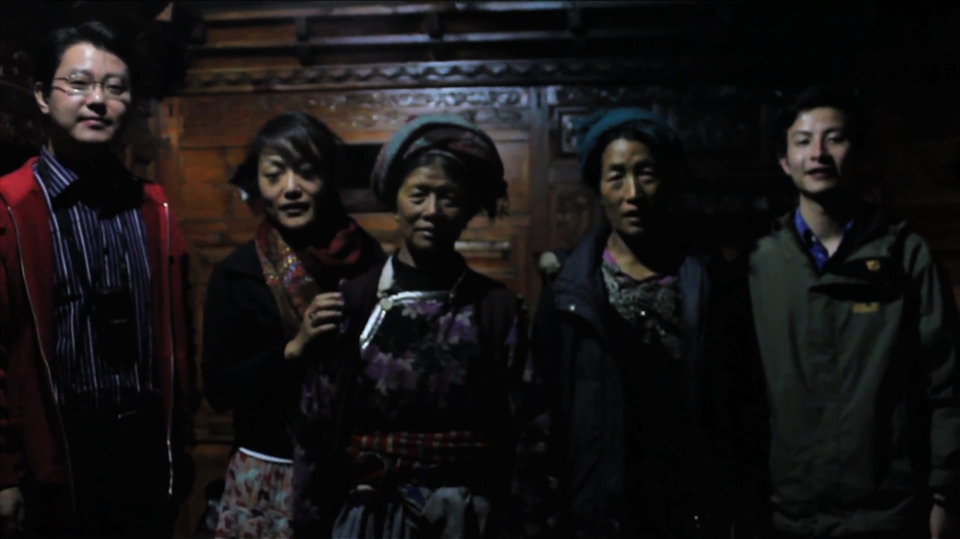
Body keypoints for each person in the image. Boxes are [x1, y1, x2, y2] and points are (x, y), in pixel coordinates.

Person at [291, 114, 553, 538]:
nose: (431, 211)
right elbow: (314, 427)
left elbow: (532, 431)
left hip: (468, 521)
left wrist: (526, 523)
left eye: (448, 197)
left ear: (468, 209)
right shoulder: (354, 302)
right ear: (395, 202)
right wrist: (309, 524)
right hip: (366, 519)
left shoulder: (496, 310)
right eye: (419, 195)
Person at [0, 20, 198, 537]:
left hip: (144, 452)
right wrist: (3, 474)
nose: (98, 101)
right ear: (43, 96)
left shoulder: (153, 207)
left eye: (115, 88)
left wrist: (181, 447)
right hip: (54, 454)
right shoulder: (10, 208)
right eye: (79, 84)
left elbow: (178, 337)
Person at [748, 85, 960, 538]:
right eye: (803, 141)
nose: (818, 153)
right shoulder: (759, 264)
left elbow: (946, 383)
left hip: (890, 512)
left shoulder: (906, 255)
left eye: (834, 139)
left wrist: (946, 495)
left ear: (857, 154)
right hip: (788, 515)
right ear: (785, 161)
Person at [532, 108, 739, 538]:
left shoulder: (708, 279)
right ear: (598, 188)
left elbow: (736, 401)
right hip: (597, 504)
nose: (633, 193)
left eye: (646, 173)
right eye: (616, 177)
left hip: (686, 503)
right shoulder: (568, 288)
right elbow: (544, 408)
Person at [201, 111, 384, 538]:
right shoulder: (237, 273)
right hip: (268, 472)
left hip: (352, 469)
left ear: (329, 177)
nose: (291, 190)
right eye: (274, 175)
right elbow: (218, 390)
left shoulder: (369, 262)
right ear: (259, 186)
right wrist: (292, 350)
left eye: (307, 173)